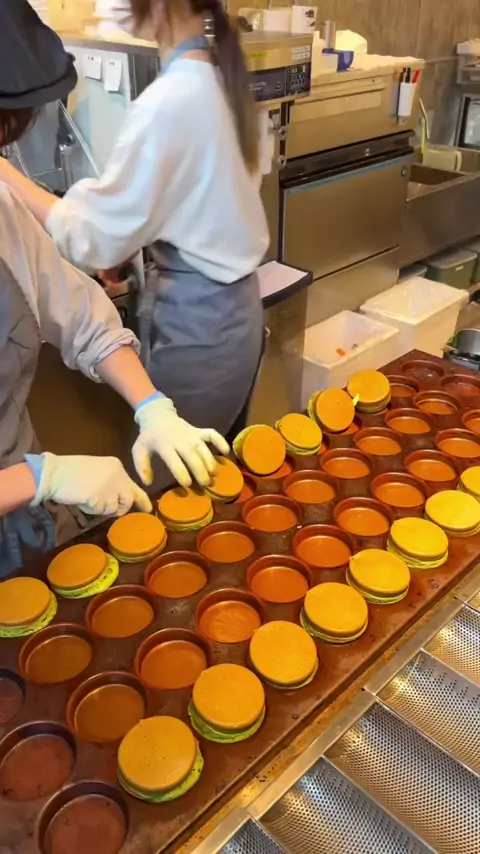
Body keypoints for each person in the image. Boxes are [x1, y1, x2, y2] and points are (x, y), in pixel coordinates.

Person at [0, 0, 228, 577]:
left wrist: (153, 408)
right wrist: (42, 476)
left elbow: (81, 317)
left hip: (22, 525)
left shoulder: (3, 211)